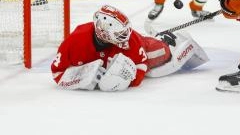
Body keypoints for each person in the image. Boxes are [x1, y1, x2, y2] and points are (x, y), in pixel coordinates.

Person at [51, 5, 208, 91]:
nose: (124, 35)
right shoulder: (75, 41)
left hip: (143, 43)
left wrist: (127, 78)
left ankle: (165, 39)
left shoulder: (129, 40)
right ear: (104, 33)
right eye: (119, 33)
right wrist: (83, 79)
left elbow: (141, 66)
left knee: (162, 53)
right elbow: (57, 72)